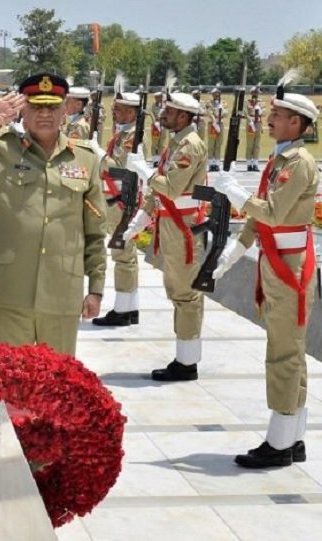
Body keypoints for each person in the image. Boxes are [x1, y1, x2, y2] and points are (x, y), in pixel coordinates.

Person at [0, 73, 106, 355]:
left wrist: (96, 288)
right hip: (10, 288)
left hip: (62, 288)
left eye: (52, 107)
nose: (45, 114)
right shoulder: (1, 150)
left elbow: (95, 232)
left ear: (65, 109)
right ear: (22, 111)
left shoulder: (85, 158)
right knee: (9, 374)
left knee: (57, 377)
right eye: (36, 106)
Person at [211, 81, 319, 468]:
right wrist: (233, 253)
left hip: (289, 269)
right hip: (277, 264)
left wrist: (235, 195)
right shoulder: (280, 160)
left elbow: (271, 213)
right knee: (290, 354)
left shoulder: (299, 163)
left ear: (297, 122)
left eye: (277, 115)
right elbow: (259, 222)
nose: (270, 120)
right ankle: (294, 437)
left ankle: (279, 444)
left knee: (283, 356)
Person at [124, 91, 208, 381]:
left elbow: (171, 188)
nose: (163, 115)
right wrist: (139, 221)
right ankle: (184, 356)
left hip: (183, 227)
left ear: (183, 116)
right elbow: (158, 192)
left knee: (185, 294)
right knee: (177, 291)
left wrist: (143, 171)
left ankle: (187, 363)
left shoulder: (190, 145)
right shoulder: (176, 142)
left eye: (169, 112)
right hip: (171, 223)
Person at [91, 80, 144, 327]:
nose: (115, 113)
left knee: (123, 256)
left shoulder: (133, 137)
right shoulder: (124, 134)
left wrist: (99, 154)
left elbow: (120, 169)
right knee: (126, 256)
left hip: (123, 201)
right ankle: (130, 307)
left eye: (120, 109)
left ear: (132, 113)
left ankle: (123, 311)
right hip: (118, 199)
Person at [207, 86, 227, 171]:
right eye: (214, 94)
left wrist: (221, 110)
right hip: (212, 124)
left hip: (220, 123)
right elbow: (209, 112)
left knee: (218, 144)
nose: (216, 95)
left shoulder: (223, 103)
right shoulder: (209, 103)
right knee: (211, 145)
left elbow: (226, 113)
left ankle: (217, 163)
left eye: (217, 93)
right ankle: (211, 164)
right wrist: (214, 121)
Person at [244, 86, 264, 171]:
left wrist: (260, 110)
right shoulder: (247, 102)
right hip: (250, 123)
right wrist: (250, 120)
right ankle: (249, 164)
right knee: (250, 144)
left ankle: (255, 164)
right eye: (254, 92)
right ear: (251, 93)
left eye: (257, 93)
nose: (256, 94)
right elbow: (244, 112)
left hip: (258, 123)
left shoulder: (261, 103)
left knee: (257, 145)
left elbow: (264, 112)